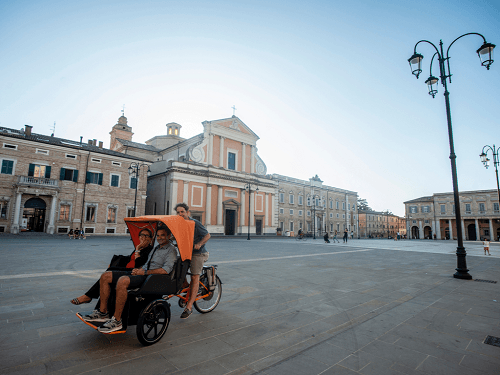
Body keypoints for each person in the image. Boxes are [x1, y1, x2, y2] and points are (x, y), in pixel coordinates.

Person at [81, 226, 177, 333]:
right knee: (106, 276)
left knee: (123, 281)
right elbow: (146, 264)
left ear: (169, 236)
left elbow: (166, 270)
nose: (159, 238)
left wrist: (144, 272)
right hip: (143, 273)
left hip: (151, 278)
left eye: (162, 235)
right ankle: (103, 312)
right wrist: (139, 270)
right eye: (158, 235)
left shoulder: (171, 250)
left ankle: (117, 321)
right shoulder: (156, 248)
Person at [71, 228, 154, 305]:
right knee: (109, 272)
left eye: (146, 236)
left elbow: (138, 264)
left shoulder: (149, 249)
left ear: (150, 239)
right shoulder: (140, 247)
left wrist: (138, 249)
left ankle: (89, 296)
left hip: (132, 271)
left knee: (109, 272)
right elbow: (129, 258)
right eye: (141, 235)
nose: (143, 237)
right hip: (127, 268)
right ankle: (94, 301)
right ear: (139, 237)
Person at [175, 202, 211, 319]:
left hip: (198, 253)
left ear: (187, 212)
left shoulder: (195, 223)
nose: (180, 214)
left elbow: (207, 235)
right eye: (178, 212)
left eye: (182, 212)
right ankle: (188, 289)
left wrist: (199, 244)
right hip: (186, 253)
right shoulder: (179, 224)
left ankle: (189, 307)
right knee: (176, 268)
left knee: (195, 277)